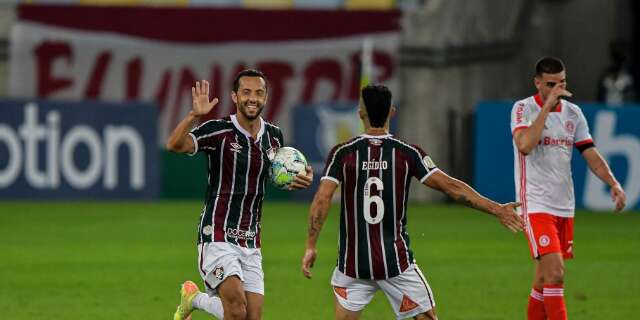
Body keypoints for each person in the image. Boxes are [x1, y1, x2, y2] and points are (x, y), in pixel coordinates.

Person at [301, 84, 525, 320]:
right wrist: (497, 209)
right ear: (392, 112)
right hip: (395, 263)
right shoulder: (407, 153)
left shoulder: (342, 153)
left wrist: (310, 245)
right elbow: (452, 188)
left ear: (360, 113)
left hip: (353, 266)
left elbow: (322, 199)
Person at [166, 69, 314, 320]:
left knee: (251, 317)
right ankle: (196, 299)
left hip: (251, 238)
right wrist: (194, 115)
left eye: (258, 92)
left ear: (266, 97)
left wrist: (300, 179)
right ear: (235, 97)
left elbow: (275, 174)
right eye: (246, 92)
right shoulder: (219, 130)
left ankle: (193, 298)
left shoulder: (274, 136)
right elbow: (174, 145)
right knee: (236, 311)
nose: (252, 98)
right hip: (218, 233)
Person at [511, 57, 627, 320]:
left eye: (562, 83)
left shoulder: (573, 113)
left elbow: (591, 153)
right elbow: (525, 145)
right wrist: (547, 108)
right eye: (551, 85)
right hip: (536, 203)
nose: (558, 90)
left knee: (542, 279)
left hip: (564, 205)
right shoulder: (523, 109)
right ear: (537, 83)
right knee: (556, 273)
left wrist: (614, 184)